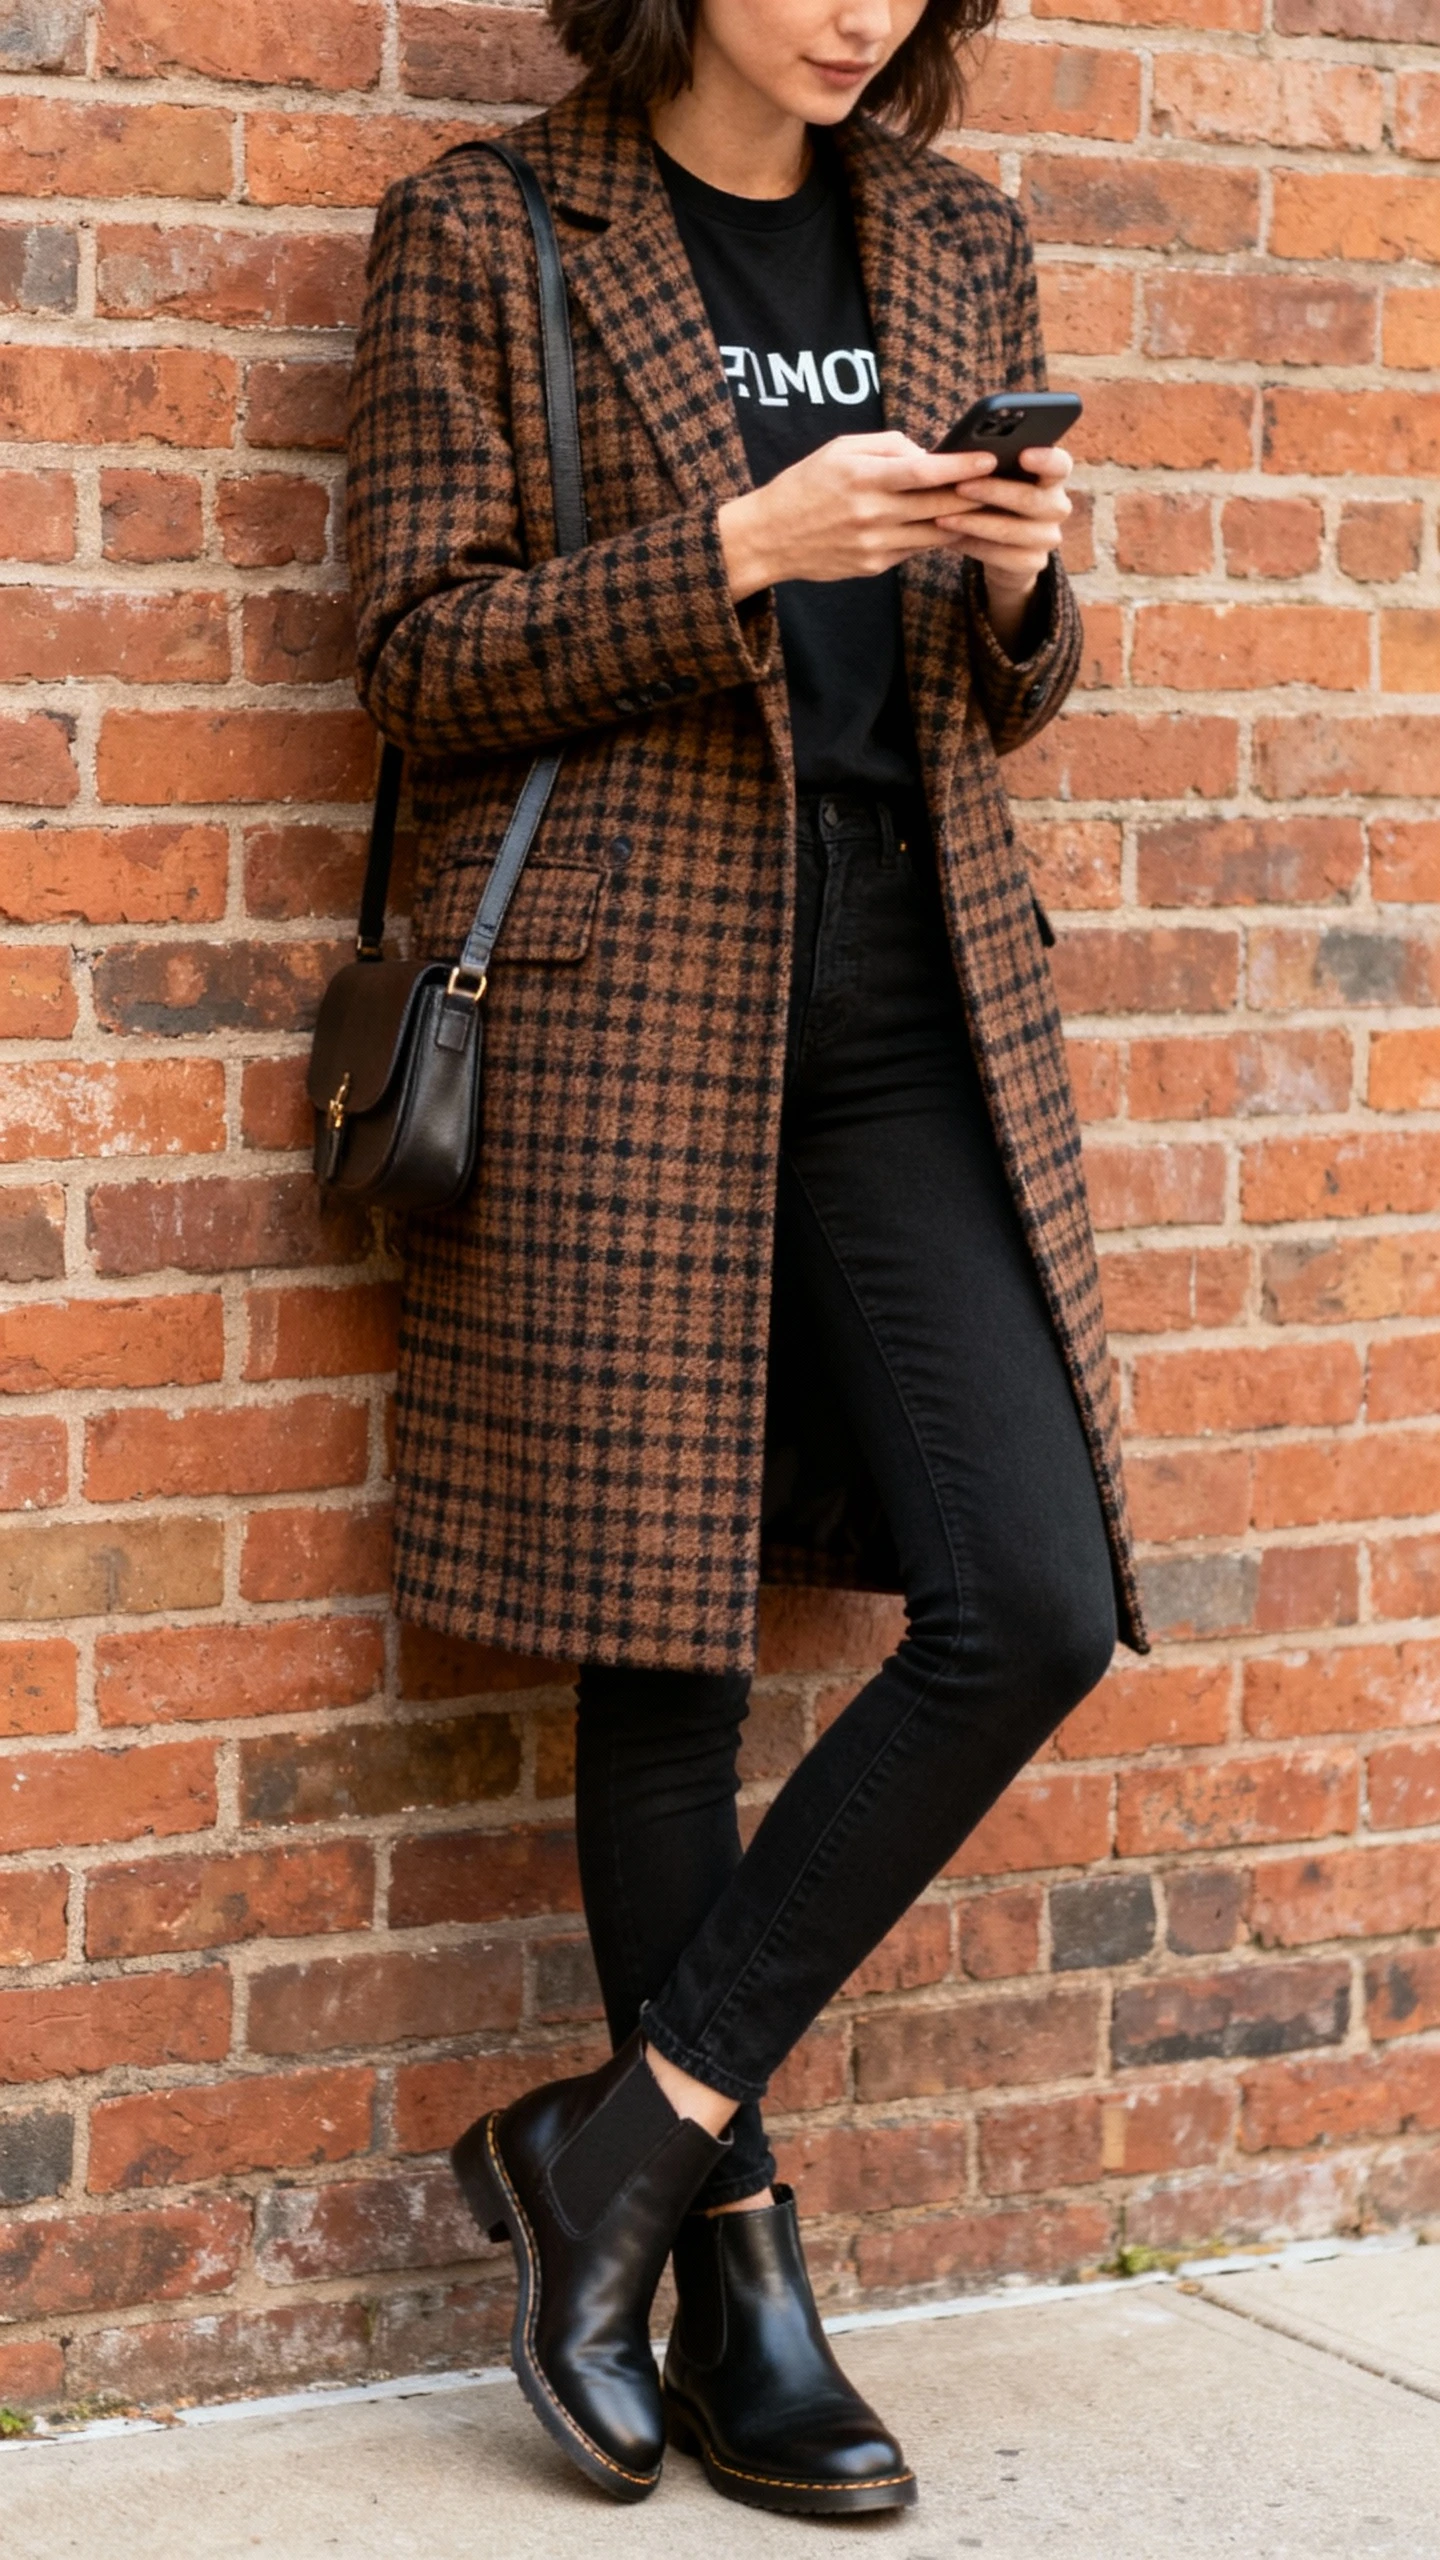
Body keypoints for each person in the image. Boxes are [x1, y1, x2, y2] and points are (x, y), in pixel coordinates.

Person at [347, 0, 1146, 2518]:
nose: (857, 8)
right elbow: (414, 652)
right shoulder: (492, 233)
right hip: (631, 1028)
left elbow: (993, 709)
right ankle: (738, 2264)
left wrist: (1026, 588)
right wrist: (733, 555)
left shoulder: (949, 233)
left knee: (1029, 1594)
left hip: (917, 1019)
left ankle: (620, 2146)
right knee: (665, 1641)